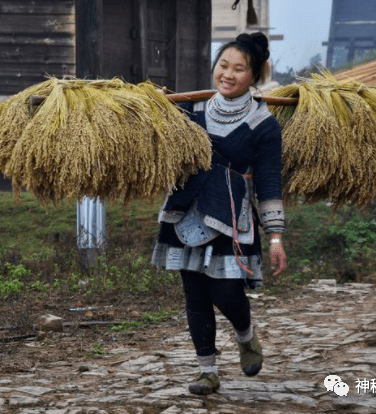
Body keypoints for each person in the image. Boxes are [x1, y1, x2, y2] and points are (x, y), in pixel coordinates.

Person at [151, 32, 287, 395]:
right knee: (195, 296)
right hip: (187, 212)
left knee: (226, 295)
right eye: (222, 65)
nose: (228, 74)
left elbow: (270, 183)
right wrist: (158, 105)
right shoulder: (191, 110)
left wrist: (275, 237)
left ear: (253, 76)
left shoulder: (264, 124)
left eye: (239, 69)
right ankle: (207, 371)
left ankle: (246, 336)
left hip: (231, 218)